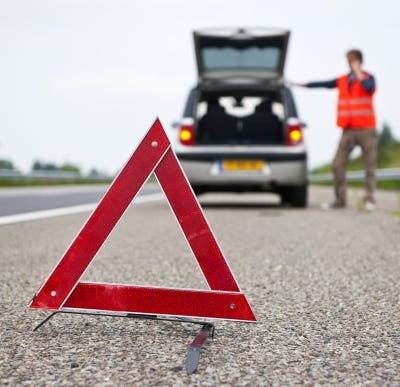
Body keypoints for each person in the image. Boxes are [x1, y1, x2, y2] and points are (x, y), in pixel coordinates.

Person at [292, 49, 377, 211]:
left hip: (366, 128)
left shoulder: (368, 78)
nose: (349, 63)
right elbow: (323, 84)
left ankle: (369, 199)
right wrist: (298, 84)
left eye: (352, 60)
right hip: (348, 129)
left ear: (359, 61)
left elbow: (369, 88)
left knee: (369, 166)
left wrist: (358, 72)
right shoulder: (343, 80)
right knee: (337, 164)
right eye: (348, 60)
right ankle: (340, 200)